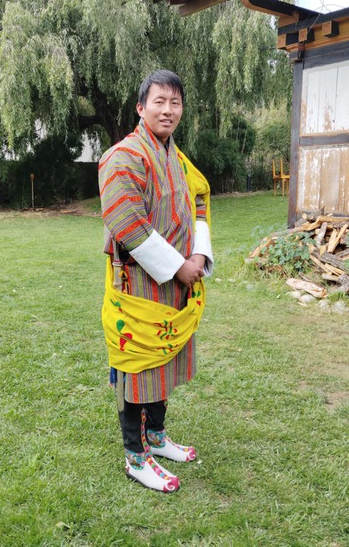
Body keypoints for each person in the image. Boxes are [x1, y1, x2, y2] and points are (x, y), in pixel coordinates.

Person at [98, 70, 213, 493]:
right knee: (137, 366)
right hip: (138, 285)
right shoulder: (122, 157)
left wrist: (198, 255)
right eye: (159, 102)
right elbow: (127, 224)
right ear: (141, 108)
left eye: (175, 102)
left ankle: (157, 437)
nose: (168, 110)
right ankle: (135, 456)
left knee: (164, 363)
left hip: (175, 284)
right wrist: (178, 266)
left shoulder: (177, 158)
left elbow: (198, 200)